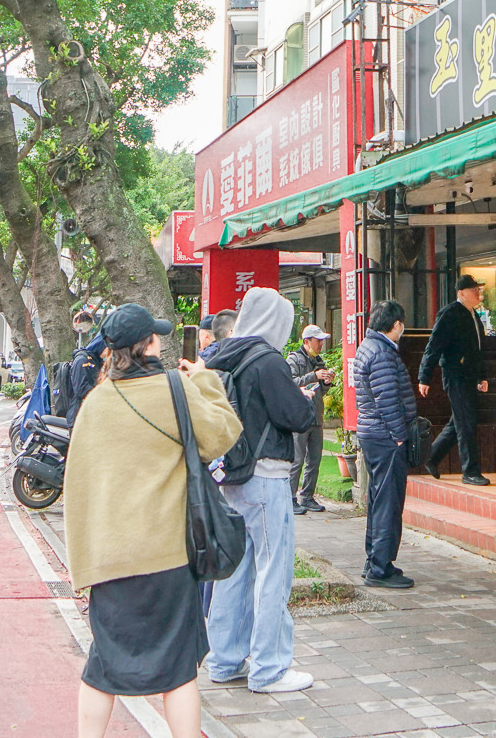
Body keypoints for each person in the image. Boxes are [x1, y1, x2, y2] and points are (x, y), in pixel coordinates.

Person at [65, 304, 242, 738]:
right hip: (167, 555)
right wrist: (204, 377)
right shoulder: (175, 387)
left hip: (110, 560)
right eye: (156, 336)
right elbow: (224, 432)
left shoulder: (96, 401)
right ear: (147, 345)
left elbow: (79, 486)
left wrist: (81, 566)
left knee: (103, 663)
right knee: (178, 669)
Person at [203, 287, 319, 694]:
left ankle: (223, 659)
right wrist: (304, 397)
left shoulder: (222, 354)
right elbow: (297, 416)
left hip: (230, 475)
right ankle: (269, 668)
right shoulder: (267, 359)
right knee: (274, 571)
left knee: (234, 571)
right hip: (266, 476)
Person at [352, 299, 418, 588]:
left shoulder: (368, 346)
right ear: (396, 325)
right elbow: (388, 399)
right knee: (389, 502)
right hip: (385, 436)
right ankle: (380, 567)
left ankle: (375, 561)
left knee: (379, 499)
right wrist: (400, 435)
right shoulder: (382, 353)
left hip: (372, 434)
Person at [419, 276, 491, 486]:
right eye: (473, 290)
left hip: (468, 377)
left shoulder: (474, 315)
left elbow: (477, 350)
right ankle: (470, 471)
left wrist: (481, 376)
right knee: (466, 422)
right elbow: (433, 347)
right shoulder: (449, 314)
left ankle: (431, 457)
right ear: (461, 293)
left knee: (458, 421)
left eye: (478, 289)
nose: (478, 293)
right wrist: (424, 377)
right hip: (455, 376)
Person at [288, 323, 336, 513]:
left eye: (322, 341)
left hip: (316, 416)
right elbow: (289, 383)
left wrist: (326, 382)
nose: (320, 345)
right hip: (299, 418)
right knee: (297, 459)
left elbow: (320, 391)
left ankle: (307, 496)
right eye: (318, 341)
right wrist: (312, 376)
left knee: (314, 459)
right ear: (307, 341)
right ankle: (290, 498)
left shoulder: (319, 361)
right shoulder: (294, 360)